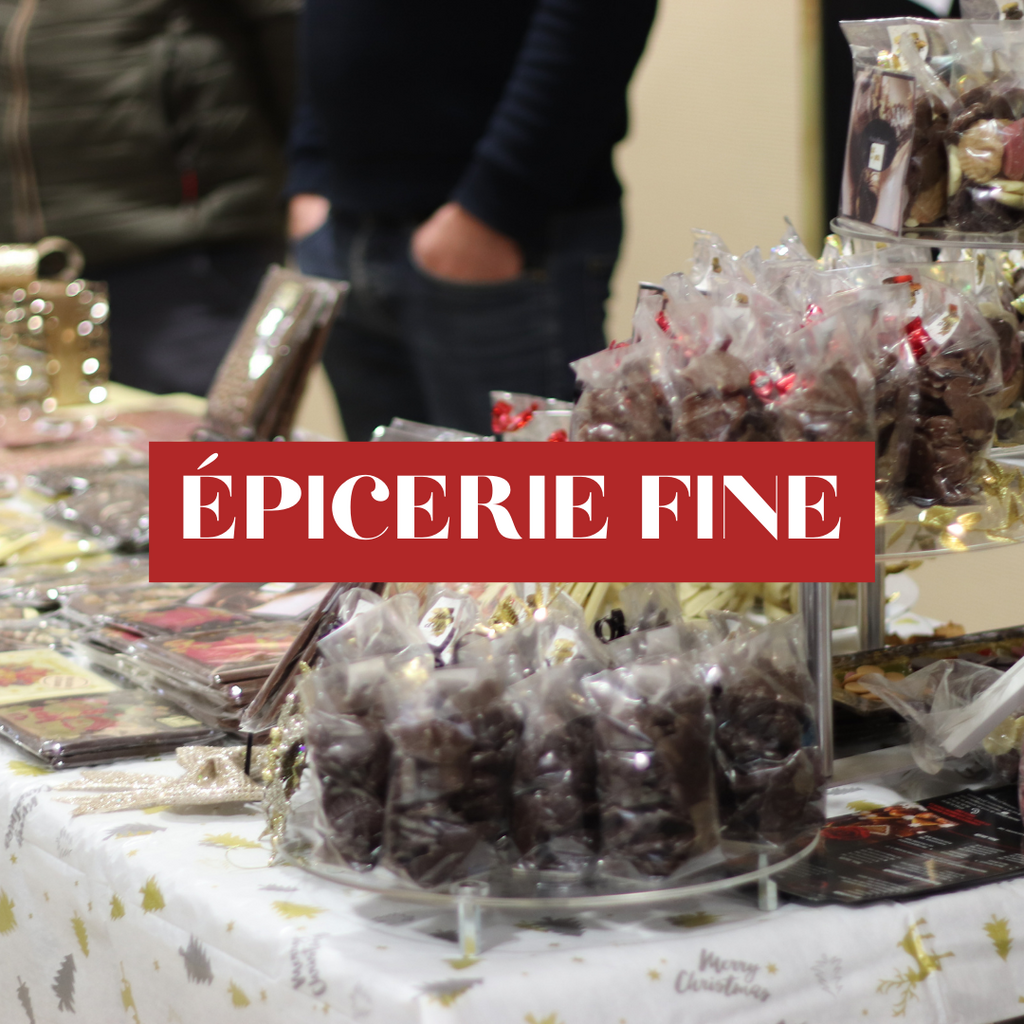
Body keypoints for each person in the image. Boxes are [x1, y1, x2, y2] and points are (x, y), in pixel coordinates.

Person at [288, 0, 659, 440]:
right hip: (345, 233)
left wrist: (499, 201)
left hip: (496, 244)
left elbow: (596, 16)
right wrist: (309, 172)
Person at [0, 0, 300, 396]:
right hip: (22, 271)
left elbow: (292, 38)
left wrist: (312, 176)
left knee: (202, 434)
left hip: (179, 257)